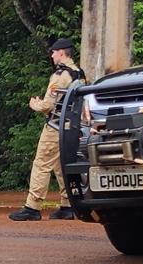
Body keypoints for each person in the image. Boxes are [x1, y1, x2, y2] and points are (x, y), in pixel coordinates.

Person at [9, 38, 86, 221]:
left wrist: (34, 104)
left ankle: (32, 206)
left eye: (53, 52)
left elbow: (48, 105)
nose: (51, 55)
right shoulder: (79, 73)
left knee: (41, 164)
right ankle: (67, 205)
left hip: (55, 126)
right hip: (72, 126)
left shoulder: (60, 75)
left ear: (61, 52)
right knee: (62, 167)